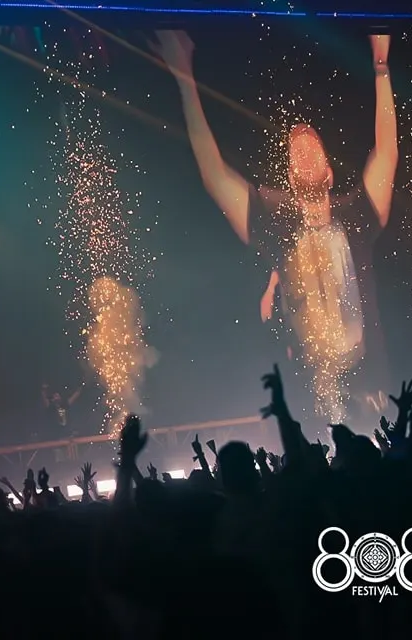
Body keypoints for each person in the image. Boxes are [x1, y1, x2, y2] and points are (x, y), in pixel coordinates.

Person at [152, 30, 397, 415]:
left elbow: (386, 154)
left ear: (330, 172)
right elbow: (215, 175)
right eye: (296, 152)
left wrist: (381, 68)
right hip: (309, 400)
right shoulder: (275, 221)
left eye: (313, 148)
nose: (304, 154)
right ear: (289, 177)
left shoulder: (356, 217)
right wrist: (185, 81)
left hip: (371, 392)